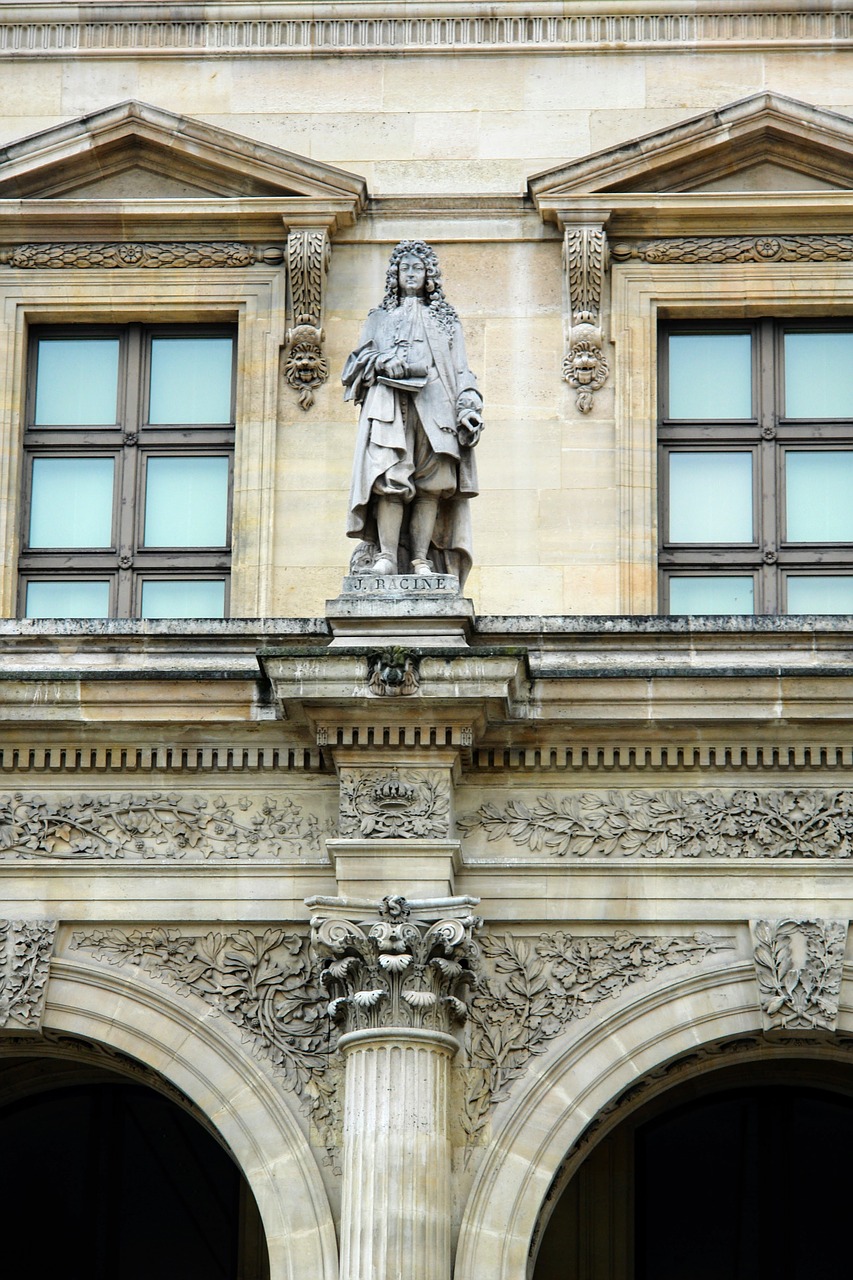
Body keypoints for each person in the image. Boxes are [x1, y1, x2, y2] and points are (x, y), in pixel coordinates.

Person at [342, 239, 484, 586]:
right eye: (404, 268)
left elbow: (462, 370)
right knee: (390, 477)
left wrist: (469, 407)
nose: (411, 274)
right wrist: (382, 361)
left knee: (430, 485)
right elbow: (355, 364)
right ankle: (388, 556)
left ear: (428, 275)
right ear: (395, 275)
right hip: (390, 404)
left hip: (436, 407)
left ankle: (421, 558)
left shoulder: (446, 322)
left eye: (417, 268)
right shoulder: (380, 318)